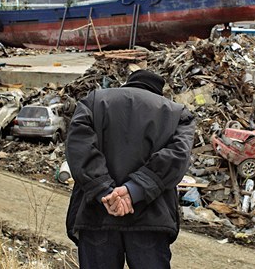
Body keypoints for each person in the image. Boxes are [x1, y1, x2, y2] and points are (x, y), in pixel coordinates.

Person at [65, 69, 195, 269]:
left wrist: (104, 190)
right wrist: (134, 190)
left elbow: (79, 148)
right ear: (158, 92)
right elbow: (177, 157)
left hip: (97, 215)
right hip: (151, 219)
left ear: (129, 83)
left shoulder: (93, 101)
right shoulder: (177, 113)